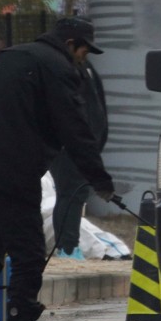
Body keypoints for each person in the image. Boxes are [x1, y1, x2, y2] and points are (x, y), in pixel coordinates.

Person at [0, 17, 116, 321]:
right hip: (13, 168)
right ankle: (21, 314)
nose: (84, 59)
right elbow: (75, 129)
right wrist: (100, 178)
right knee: (29, 251)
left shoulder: (7, 57)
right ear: (70, 45)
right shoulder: (58, 67)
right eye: (83, 51)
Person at [48, 56, 108, 260]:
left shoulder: (83, 67)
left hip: (83, 143)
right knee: (71, 193)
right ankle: (67, 247)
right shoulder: (65, 68)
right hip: (71, 145)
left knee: (74, 194)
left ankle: (68, 246)